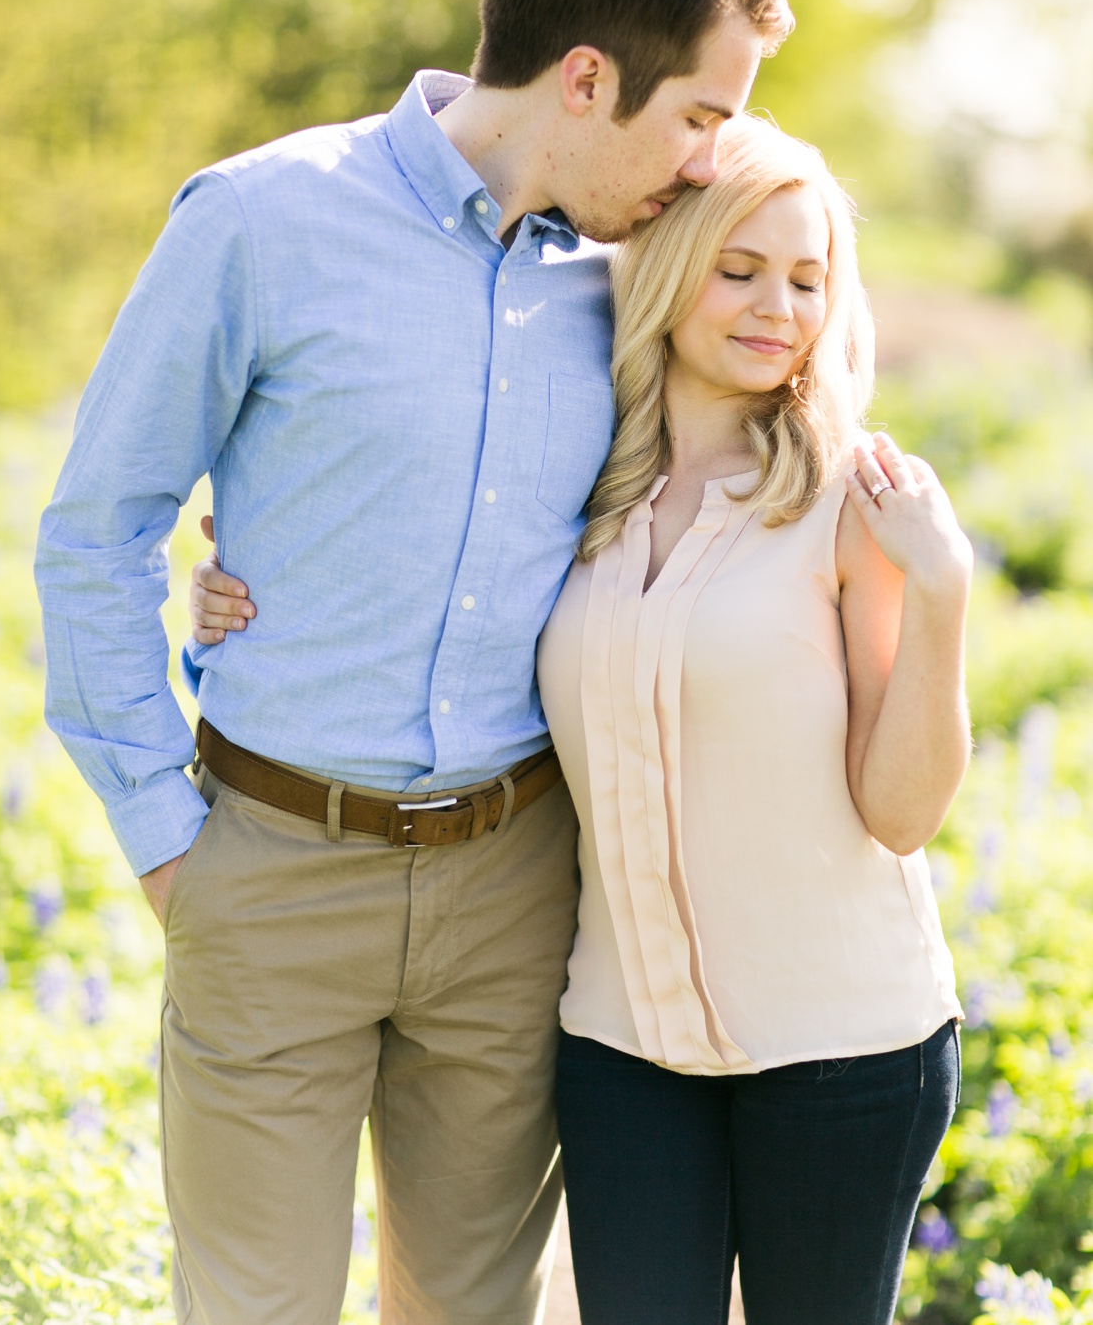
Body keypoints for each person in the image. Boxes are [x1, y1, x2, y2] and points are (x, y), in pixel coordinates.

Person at [34, 0, 793, 1325]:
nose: (710, 159)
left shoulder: (631, 280)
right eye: (702, 114)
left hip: (517, 881)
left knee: (472, 1311)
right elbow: (98, 528)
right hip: (270, 862)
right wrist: (168, 840)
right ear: (586, 79)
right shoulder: (261, 222)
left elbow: (775, 375)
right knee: (253, 1306)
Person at [196, 117, 972, 1325]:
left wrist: (942, 596)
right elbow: (421, 577)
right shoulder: (570, 483)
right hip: (622, 1052)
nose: (778, 308)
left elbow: (901, 810)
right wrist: (244, 579)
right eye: (740, 269)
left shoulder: (850, 502)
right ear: (666, 270)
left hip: (841, 1050)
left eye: (807, 280)